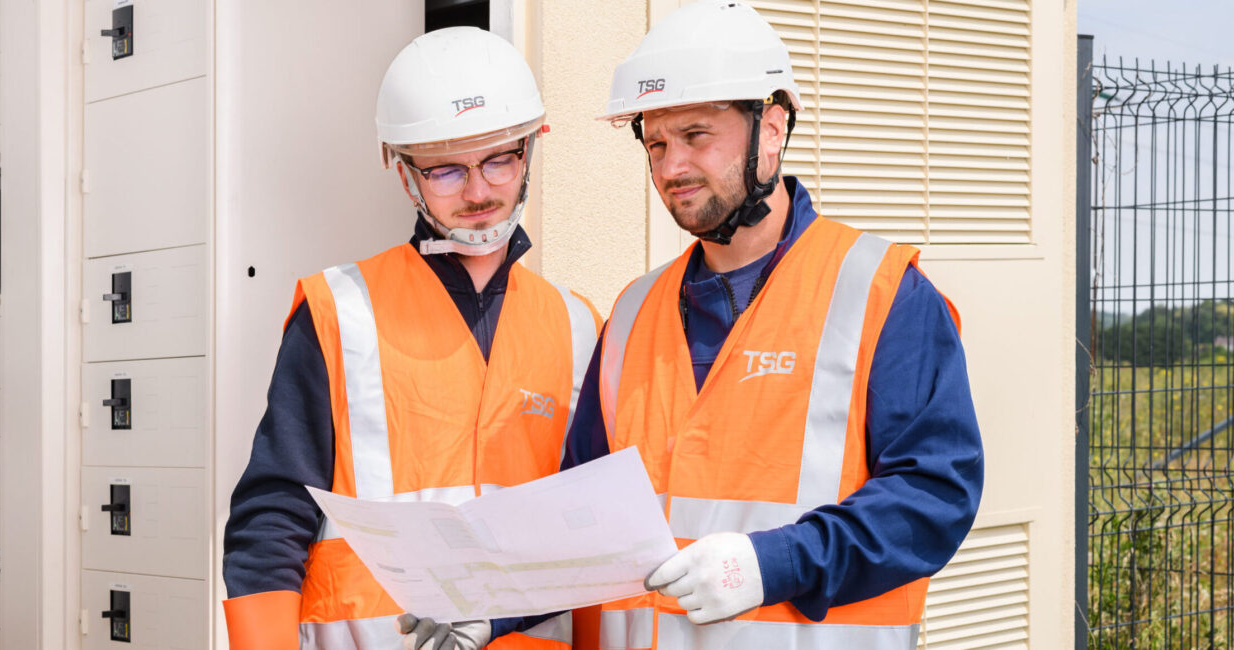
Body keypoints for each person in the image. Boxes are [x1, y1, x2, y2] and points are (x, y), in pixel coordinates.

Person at [551, 1, 985, 647]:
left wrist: (772, 563)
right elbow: (578, 513)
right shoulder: (632, 314)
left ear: (772, 128)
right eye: (657, 143)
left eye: (696, 135)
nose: (671, 168)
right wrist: (491, 607)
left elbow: (933, 495)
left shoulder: (882, 291)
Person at [221, 26, 600, 650]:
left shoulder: (578, 324)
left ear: (532, 150)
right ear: (403, 174)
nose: (478, 191)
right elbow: (273, 517)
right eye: (447, 170)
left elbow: (591, 532)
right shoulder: (338, 311)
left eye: (500, 158)